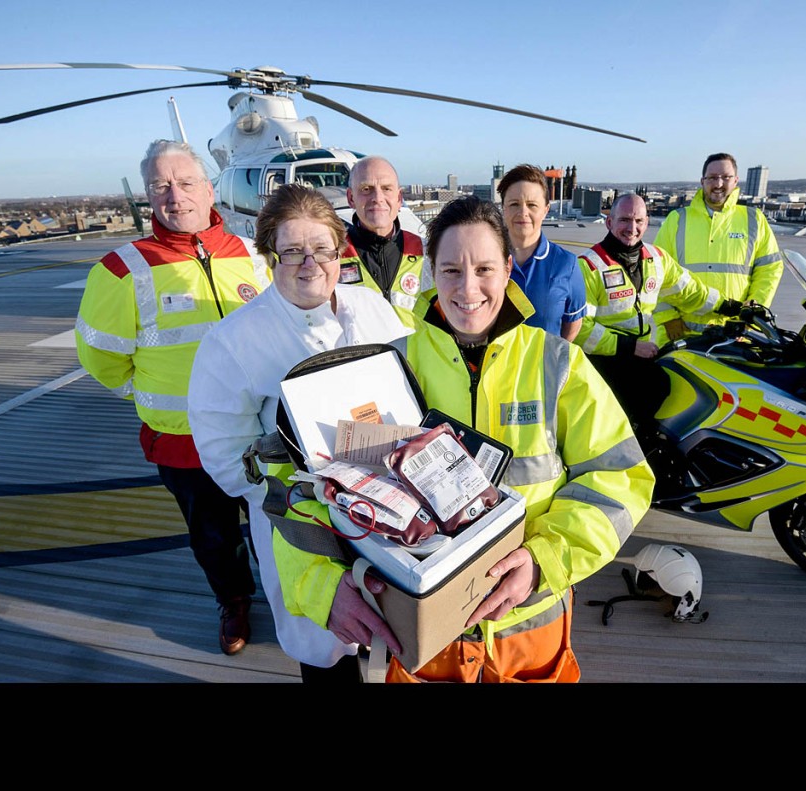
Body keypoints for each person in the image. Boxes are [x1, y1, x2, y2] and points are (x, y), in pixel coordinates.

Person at [272, 195, 655, 683]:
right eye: (451, 270)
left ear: (509, 268)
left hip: (528, 629)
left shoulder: (558, 366)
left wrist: (545, 559)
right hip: (421, 632)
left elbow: (621, 478)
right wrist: (321, 586)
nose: (468, 288)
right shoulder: (386, 370)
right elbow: (300, 487)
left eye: (485, 269)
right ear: (431, 271)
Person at [187, 183, 414, 683]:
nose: (309, 264)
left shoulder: (372, 308)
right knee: (330, 656)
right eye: (292, 250)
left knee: (400, 641)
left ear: (340, 250)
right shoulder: (232, 343)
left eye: (321, 249)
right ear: (270, 257)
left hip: (395, 508)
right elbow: (227, 460)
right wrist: (305, 480)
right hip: (305, 527)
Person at [75, 138, 270, 657]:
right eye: (160, 185)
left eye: (185, 182)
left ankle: (285, 591)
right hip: (183, 440)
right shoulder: (122, 269)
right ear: (147, 195)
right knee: (212, 535)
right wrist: (144, 395)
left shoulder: (253, 255)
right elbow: (99, 355)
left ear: (210, 189)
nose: (175, 195)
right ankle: (233, 600)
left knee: (275, 525)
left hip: (263, 431)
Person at [575, 193, 740, 447]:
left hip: (642, 352)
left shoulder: (656, 259)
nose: (632, 228)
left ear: (647, 222)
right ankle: (630, 451)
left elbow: (692, 292)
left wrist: (730, 307)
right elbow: (581, 330)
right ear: (609, 222)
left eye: (639, 220)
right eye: (624, 220)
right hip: (605, 357)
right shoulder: (589, 267)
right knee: (657, 387)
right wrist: (630, 347)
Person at [653, 153, 783, 343]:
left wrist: (753, 309)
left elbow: (769, 270)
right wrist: (667, 317)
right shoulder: (678, 219)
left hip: (735, 334)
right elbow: (655, 272)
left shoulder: (754, 220)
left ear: (736, 180)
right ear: (702, 181)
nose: (719, 184)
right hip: (681, 332)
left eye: (726, 177)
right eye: (712, 178)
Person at [497, 163, 585, 340]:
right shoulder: (487, 260)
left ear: (545, 210)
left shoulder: (566, 264)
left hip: (543, 367)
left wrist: (554, 357)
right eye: (514, 204)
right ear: (503, 209)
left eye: (532, 205)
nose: (523, 212)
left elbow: (573, 322)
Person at [339, 155, 432, 311]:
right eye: (366, 189)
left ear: (399, 198)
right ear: (351, 198)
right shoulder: (333, 255)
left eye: (386, 188)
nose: (377, 198)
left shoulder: (426, 252)